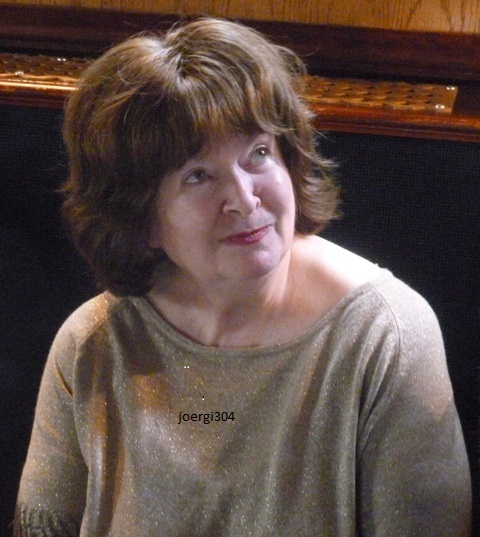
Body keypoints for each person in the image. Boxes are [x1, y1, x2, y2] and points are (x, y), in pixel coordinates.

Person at [15, 17, 471, 536]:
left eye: (258, 154)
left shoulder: (386, 335)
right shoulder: (93, 343)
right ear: (140, 217)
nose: (244, 199)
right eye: (198, 176)